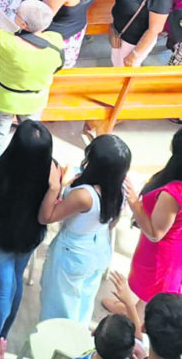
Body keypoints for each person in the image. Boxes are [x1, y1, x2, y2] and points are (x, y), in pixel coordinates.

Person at [0, 119, 59, 343]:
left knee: (4, 292)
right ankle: (3, 328)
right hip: (28, 237)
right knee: (14, 280)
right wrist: (56, 187)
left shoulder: (1, 173)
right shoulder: (51, 173)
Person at [39, 134, 132, 323]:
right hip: (100, 247)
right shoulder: (120, 188)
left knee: (59, 306)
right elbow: (111, 222)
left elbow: (46, 217)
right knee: (84, 302)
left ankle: (56, 346)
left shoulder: (84, 196)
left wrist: (56, 186)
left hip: (74, 251)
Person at [125, 124, 182, 301]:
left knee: (150, 297)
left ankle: (133, 317)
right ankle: (131, 309)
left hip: (161, 254)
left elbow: (155, 233)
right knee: (150, 292)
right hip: (178, 245)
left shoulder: (173, 194)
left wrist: (133, 202)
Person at [0, 0, 60, 160]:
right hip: (35, 99)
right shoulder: (56, 40)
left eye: (17, 15)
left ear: (24, 24)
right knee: (32, 139)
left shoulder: (6, 41)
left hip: (4, 98)